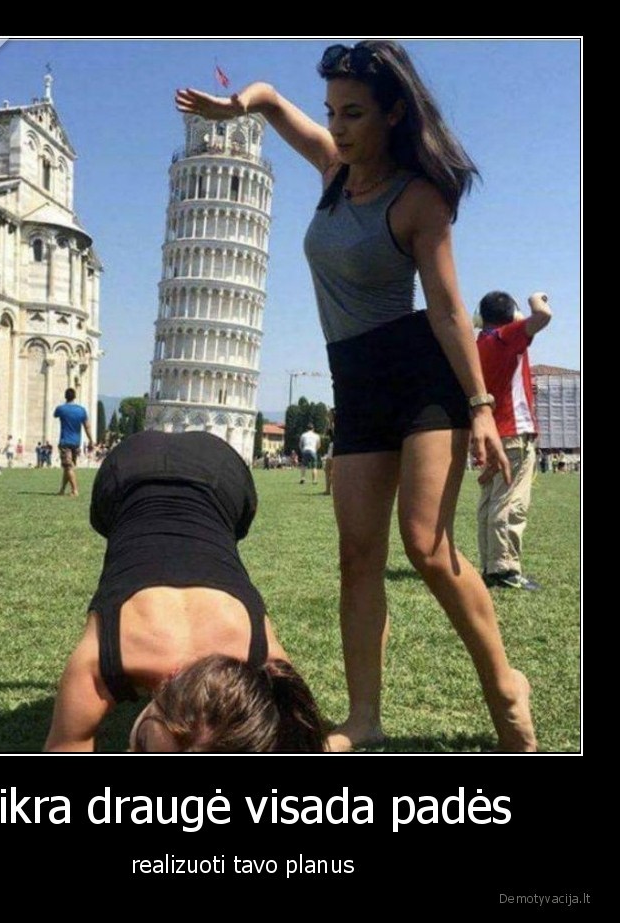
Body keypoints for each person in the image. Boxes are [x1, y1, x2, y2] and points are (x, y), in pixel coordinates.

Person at [176, 40, 537, 753]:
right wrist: (236, 105)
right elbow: (271, 101)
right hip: (357, 378)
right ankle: (364, 716)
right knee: (357, 555)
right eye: (331, 111)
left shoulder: (418, 198)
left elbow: (447, 309)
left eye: (353, 113)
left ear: (392, 114)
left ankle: (504, 685)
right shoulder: (334, 169)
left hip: (421, 375)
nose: (336, 127)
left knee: (426, 546)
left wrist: (479, 407)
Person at [44, 430, 324, 752]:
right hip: (132, 473)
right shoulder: (99, 663)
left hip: (218, 468)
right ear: (168, 681)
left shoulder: (264, 660)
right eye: (141, 745)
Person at [476, 291, 552, 591]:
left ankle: (490, 565)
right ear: (512, 316)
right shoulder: (508, 336)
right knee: (511, 503)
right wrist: (536, 298)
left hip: (491, 434)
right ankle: (504, 568)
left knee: (490, 502)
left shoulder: (478, 344)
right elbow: (543, 315)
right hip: (513, 434)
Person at [53, 387, 94, 497]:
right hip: (76, 442)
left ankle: (75, 490)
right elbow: (87, 426)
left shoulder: (61, 409)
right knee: (68, 467)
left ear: (65, 396)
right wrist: (91, 440)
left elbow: (55, 415)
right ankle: (62, 490)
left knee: (68, 467)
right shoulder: (81, 410)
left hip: (65, 441)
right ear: (75, 397)